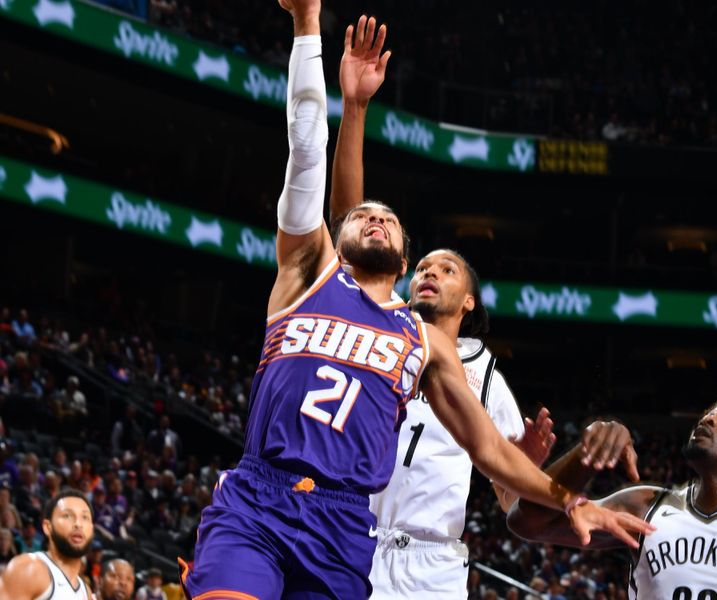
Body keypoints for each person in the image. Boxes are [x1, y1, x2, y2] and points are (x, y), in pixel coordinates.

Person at [180, 2, 652, 599]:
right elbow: (306, 151)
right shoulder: (309, 272)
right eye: (364, 217)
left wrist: (568, 499)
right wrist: (308, 30)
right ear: (344, 237)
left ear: (401, 261)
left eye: (390, 219)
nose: (375, 219)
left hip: (351, 527)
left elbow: (487, 450)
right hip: (261, 496)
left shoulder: (424, 341)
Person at [327, 19, 559, 597]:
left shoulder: (485, 376)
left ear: (470, 300)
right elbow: (347, 225)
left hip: (431, 563)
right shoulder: (376, 323)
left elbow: (511, 502)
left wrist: (525, 468)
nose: (430, 272)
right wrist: (354, 111)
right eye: (423, 265)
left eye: (447, 268)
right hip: (350, 536)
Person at [508, 396, 717, 599]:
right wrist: (587, 455)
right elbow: (527, 522)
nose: (709, 419)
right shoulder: (646, 506)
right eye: (708, 415)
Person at [0, 489, 93, 599]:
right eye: (67, 516)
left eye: (85, 517)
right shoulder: (28, 569)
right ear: (47, 527)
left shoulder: (85, 591)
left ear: (92, 529)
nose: (78, 524)